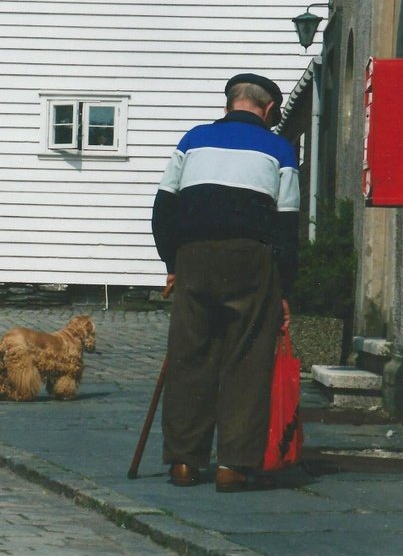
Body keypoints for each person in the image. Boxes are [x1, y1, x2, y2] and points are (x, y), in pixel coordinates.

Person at [151, 73, 299, 492]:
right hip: (251, 258)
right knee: (247, 359)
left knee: (190, 356)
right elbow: (287, 226)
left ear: (228, 105)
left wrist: (172, 262)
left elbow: (163, 208)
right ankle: (232, 465)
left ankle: (184, 461)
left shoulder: (192, 140)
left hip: (194, 254)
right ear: (269, 110)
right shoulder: (279, 149)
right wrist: (285, 289)